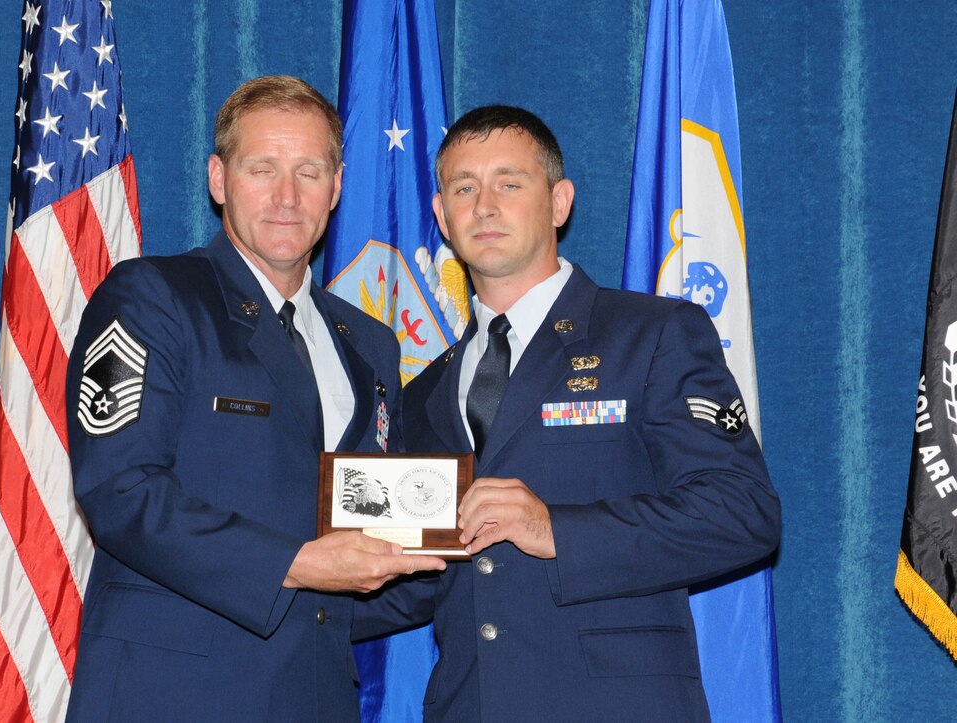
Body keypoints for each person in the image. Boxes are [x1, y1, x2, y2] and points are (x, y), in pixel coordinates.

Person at [354, 106, 781, 721]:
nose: (485, 206)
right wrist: (282, 587)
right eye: (464, 188)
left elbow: (744, 514)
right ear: (442, 217)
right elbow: (424, 576)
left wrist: (556, 529)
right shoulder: (424, 392)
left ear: (559, 202)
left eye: (509, 183)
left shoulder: (653, 335)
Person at [64, 75, 444, 721]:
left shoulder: (369, 343)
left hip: (316, 692)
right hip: (170, 692)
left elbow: (370, 534)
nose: (287, 196)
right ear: (219, 179)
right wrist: (297, 564)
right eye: (262, 168)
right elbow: (119, 488)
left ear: (337, 185)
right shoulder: (155, 297)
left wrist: (468, 558)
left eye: (309, 170)